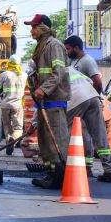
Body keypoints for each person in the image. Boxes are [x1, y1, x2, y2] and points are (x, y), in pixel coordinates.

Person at [25, 13, 71, 189]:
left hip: (54, 102)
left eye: (34, 27)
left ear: (43, 27)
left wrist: (43, 89)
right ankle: (51, 175)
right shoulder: (41, 47)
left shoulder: (54, 45)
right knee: (45, 143)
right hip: (44, 103)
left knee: (56, 141)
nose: (32, 31)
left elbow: (58, 72)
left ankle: (60, 177)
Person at [67, 68, 111, 183]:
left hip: (76, 100)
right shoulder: (72, 70)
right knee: (100, 135)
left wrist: (35, 122)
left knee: (65, 133)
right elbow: (91, 81)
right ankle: (109, 171)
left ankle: (63, 169)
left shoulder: (52, 72)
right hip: (94, 98)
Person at [0, 55, 24, 155]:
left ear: (9, 63)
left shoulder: (4, 74)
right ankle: (13, 140)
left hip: (5, 105)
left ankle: (9, 143)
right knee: (18, 127)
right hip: (17, 105)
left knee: (7, 126)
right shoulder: (24, 75)